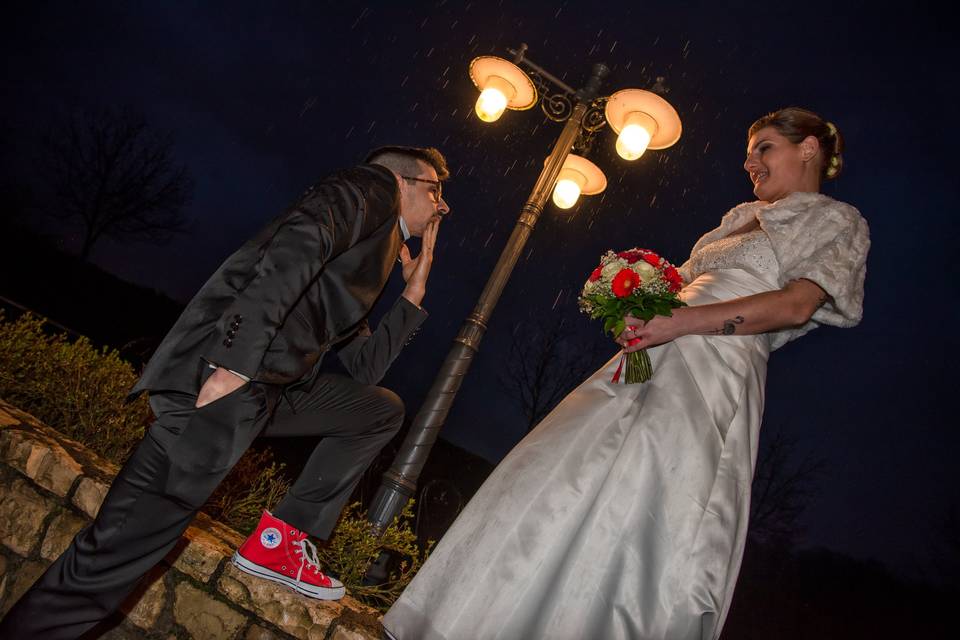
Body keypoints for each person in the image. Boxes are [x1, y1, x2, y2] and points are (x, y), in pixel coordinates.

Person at [382, 108, 869, 640]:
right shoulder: (737, 217)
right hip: (656, 351)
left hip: (715, 371)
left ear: (809, 149)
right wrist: (636, 302)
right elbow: (680, 283)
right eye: (749, 150)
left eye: (764, 148)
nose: (748, 161)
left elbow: (797, 305)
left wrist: (681, 320)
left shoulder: (835, 220)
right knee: (562, 468)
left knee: (646, 499)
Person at [0, 145, 451, 639]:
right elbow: (296, 245)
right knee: (108, 562)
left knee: (377, 411)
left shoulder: (369, 256)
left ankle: (281, 539)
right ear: (403, 181)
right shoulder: (371, 188)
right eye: (435, 191)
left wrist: (412, 293)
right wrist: (234, 362)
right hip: (228, 380)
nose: (441, 207)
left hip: (269, 391)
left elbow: (364, 369)